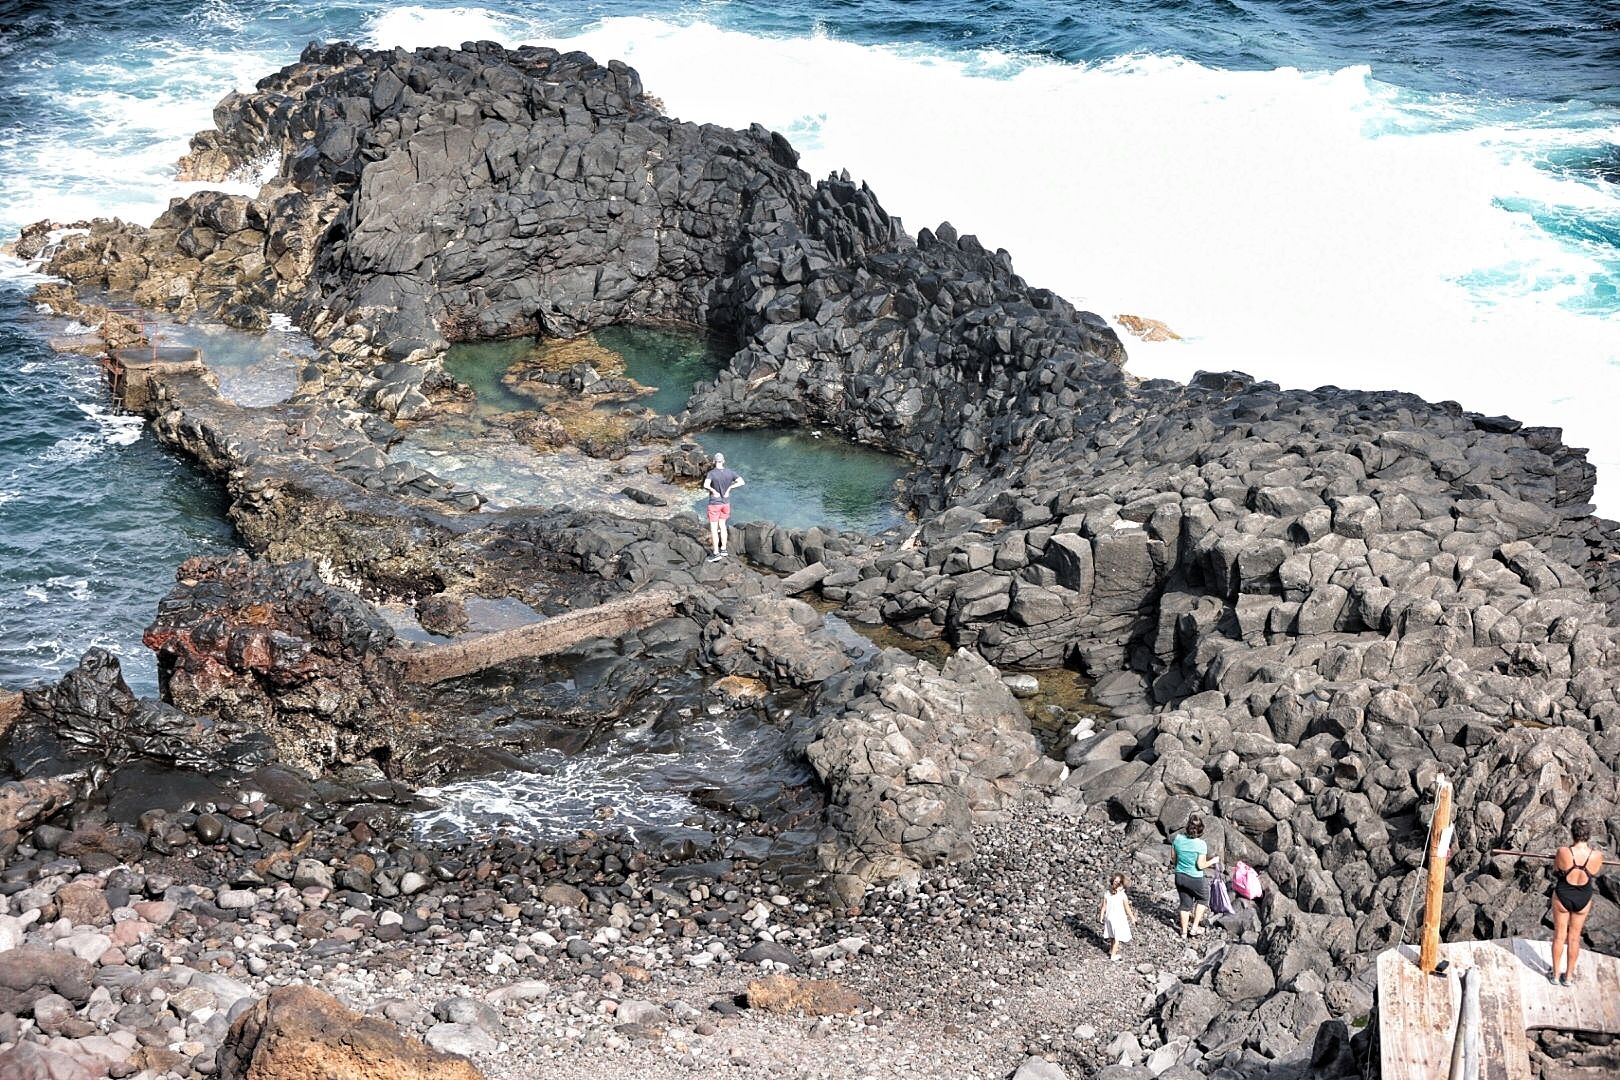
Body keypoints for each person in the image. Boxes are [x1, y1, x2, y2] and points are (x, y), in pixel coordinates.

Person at [1550, 817, 1603, 986]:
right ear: (1588, 835)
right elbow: (1594, 872)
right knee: (1574, 938)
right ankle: (1569, 977)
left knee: (1559, 936)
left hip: (1563, 895)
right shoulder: (1597, 856)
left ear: (1572, 834)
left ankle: (1556, 975)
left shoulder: (1563, 852)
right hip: (1583, 898)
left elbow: (1556, 869)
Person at [1171, 814, 1221, 940]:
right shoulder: (1201, 845)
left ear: (1187, 827)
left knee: (1185, 904)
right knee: (1204, 899)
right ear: (1201, 830)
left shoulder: (1177, 839)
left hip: (1179, 876)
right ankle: (1193, 928)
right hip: (1195, 878)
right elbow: (1201, 865)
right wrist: (1213, 860)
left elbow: (1173, 859)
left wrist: (1181, 867)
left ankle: (1183, 932)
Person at [702, 453, 744, 562]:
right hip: (726, 504)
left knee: (714, 529)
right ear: (723, 461)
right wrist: (730, 488)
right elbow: (741, 482)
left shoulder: (711, 473)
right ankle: (724, 549)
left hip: (715, 504)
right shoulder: (730, 472)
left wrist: (714, 491)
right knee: (723, 526)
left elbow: (706, 485)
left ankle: (716, 553)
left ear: (714, 462)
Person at [1098, 873, 1136, 961]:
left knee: (1112, 936)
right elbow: (1127, 909)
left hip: (1109, 918)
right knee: (1117, 938)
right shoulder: (1122, 895)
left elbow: (1104, 906)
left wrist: (1101, 916)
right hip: (1118, 919)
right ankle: (1113, 956)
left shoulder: (1107, 893)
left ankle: (1111, 950)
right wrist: (1133, 919)